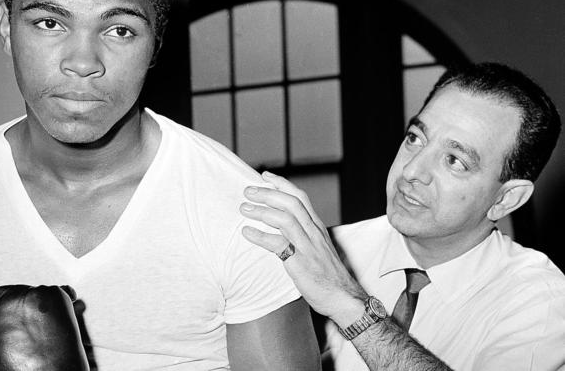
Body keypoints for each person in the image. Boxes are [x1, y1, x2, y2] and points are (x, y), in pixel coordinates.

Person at [0, 0, 320, 370]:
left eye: (120, 31)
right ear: (7, 27)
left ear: (156, 45)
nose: (83, 63)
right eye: (49, 23)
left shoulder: (242, 211)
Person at [240, 62, 565, 370]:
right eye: (415, 139)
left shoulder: (541, 301)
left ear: (506, 199)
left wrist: (347, 303)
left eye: (454, 161)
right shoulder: (331, 248)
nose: (411, 171)